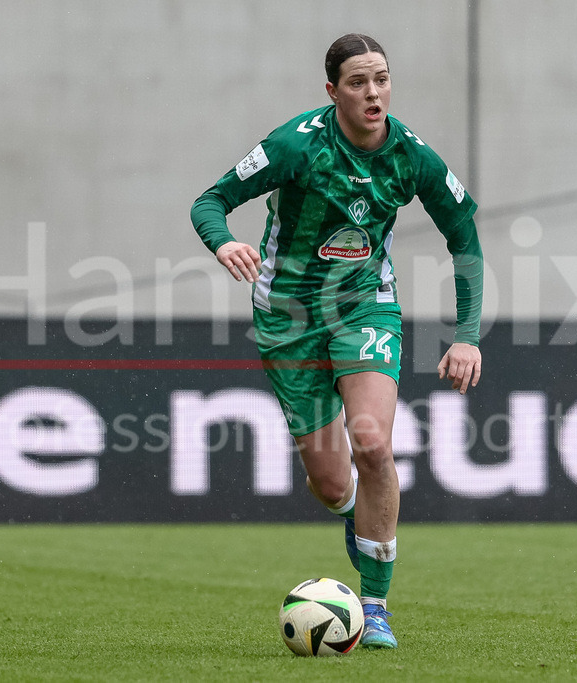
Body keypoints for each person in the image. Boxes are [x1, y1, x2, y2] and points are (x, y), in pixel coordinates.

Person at [190, 33, 483, 650]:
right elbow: (211, 201)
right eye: (358, 82)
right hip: (288, 319)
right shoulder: (296, 145)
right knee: (329, 485)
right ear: (333, 91)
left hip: (364, 307)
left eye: (381, 79)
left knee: (372, 445)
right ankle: (354, 514)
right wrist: (224, 242)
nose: (373, 93)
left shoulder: (412, 156)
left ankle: (375, 606)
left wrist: (466, 337)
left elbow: (464, 236)